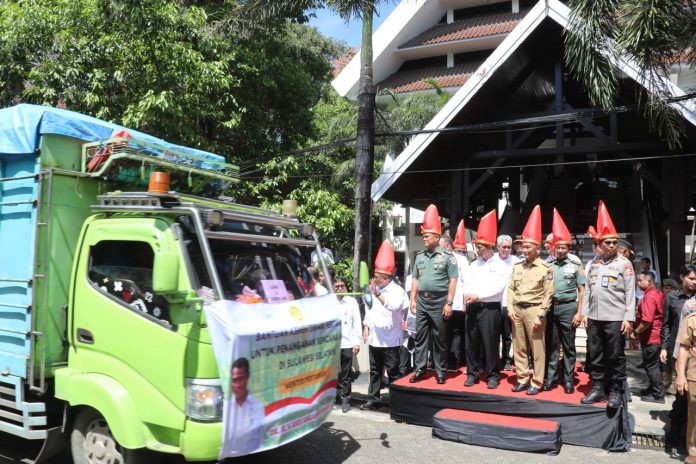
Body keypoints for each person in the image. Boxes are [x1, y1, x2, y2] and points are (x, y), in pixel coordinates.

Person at [581, 201, 635, 409]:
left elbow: (630, 292)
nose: (612, 245)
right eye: (608, 242)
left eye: (614, 242)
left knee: (616, 355)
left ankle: (615, 390)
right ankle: (597, 387)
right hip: (594, 317)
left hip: (615, 317)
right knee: (595, 353)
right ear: (600, 244)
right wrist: (585, 313)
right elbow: (588, 290)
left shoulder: (624, 264)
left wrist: (628, 317)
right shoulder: (593, 264)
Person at [507, 205, 554, 395]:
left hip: (534, 310)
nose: (524, 249)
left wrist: (541, 315)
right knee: (518, 346)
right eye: (523, 246)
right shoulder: (517, 266)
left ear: (537, 248)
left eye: (528, 246)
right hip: (517, 310)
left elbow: (548, 294)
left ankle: (536, 381)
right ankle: (522, 378)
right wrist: (510, 307)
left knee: (537, 348)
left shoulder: (545, 268)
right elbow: (510, 288)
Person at [409, 204, 458, 385]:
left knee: (439, 337)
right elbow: (415, 278)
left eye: (427, 236)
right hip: (422, 300)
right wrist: (412, 299)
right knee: (421, 337)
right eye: (423, 236)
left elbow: (453, 280)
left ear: (437, 237)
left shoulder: (447, 257)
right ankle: (420, 369)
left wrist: (449, 303)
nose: (424, 239)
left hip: (439, 301)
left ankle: (440, 371)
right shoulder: (420, 256)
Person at [462, 210, 508, 389]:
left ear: (489, 246)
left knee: (490, 342)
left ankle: (492, 374)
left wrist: (478, 295)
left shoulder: (500, 265)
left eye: (480, 246)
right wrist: (468, 296)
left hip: (490, 309)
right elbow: (467, 282)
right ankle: (472, 373)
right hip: (473, 307)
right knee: (471, 342)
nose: (478, 249)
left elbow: (498, 288)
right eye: (477, 246)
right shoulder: (474, 264)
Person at [362, 241, 408, 409]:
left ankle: (397, 402)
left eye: (377, 276)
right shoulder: (374, 289)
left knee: (393, 372)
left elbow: (394, 306)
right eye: (374, 275)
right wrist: (366, 327)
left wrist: (378, 295)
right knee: (375, 371)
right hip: (375, 337)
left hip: (390, 339)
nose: (374, 279)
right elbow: (369, 309)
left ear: (386, 277)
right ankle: (373, 399)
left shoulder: (397, 290)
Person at [544, 209, 585, 394]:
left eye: (564, 247)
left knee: (569, 346)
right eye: (558, 247)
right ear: (553, 247)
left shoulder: (576, 265)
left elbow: (581, 289)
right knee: (553, 345)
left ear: (569, 248)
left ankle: (568, 380)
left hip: (569, 308)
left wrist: (579, 312)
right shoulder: (548, 265)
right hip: (552, 307)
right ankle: (551, 378)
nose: (560, 250)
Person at [662, 264, 696, 451]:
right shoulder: (672, 298)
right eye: (691, 278)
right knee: (681, 395)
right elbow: (666, 324)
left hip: (694, 352)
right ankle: (674, 436)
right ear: (682, 277)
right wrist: (664, 347)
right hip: (679, 351)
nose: (694, 282)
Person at [631, 270, 665, 403]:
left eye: (640, 280)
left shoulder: (649, 297)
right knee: (653, 365)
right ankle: (653, 388)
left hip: (651, 337)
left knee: (651, 366)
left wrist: (635, 332)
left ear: (649, 281)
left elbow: (647, 320)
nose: (638, 283)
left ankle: (658, 394)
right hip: (655, 336)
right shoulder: (658, 294)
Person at [221, 357, 265, 457]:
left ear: (247, 377)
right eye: (233, 380)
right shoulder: (225, 405)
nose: (237, 385)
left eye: (240, 379)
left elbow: (259, 441)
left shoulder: (257, 406)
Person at [335, 277, 361, 413]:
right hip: (332, 344)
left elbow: (357, 323)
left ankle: (345, 400)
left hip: (347, 342)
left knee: (346, 374)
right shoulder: (329, 302)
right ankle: (332, 397)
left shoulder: (351, 302)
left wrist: (356, 343)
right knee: (331, 374)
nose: (340, 289)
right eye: (337, 286)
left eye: (342, 286)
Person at [446, 222, 470, 371]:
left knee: (456, 332)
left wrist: (465, 303)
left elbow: (466, 282)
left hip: (456, 303)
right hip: (444, 303)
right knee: (447, 333)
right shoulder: (444, 258)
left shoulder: (461, 260)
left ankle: (454, 360)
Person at [497, 234, 521, 371]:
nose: (507, 249)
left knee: (507, 335)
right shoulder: (492, 259)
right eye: (504, 247)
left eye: (509, 247)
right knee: (494, 334)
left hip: (509, 304)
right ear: (498, 247)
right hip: (493, 303)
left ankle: (506, 359)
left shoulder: (516, 261)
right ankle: (493, 359)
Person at [675, 307, 696, 464]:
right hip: (695, 375)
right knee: (694, 414)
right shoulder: (692, 319)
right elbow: (684, 348)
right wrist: (681, 375)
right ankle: (694, 450)